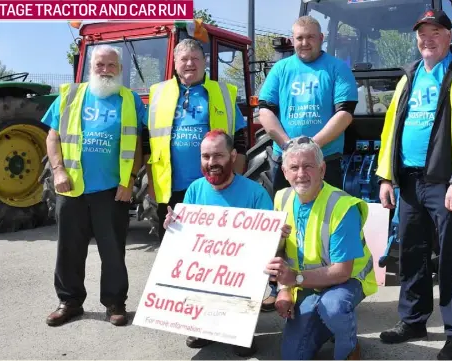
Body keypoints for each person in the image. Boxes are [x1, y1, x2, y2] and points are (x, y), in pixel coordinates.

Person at [375, 9, 452, 360]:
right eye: (422, 34)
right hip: (410, 182)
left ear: (449, 35)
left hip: (446, 185)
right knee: (411, 254)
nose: (427, 39)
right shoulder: (408, 77)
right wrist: (386, 177)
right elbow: (390, 132)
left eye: (435, 32)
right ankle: (413, 320)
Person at [257, 14, 358, 311]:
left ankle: (326, 283)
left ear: (321, 38)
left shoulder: (337, 69)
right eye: (299, 38)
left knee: (327, 224)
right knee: (280, 227)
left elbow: (345, 114)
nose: (304, 43)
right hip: (285, 161)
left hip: (325, 161)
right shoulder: (281, 69)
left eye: (310, 37)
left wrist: (313, 145)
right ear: (293, 40)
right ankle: (277, 285)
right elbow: (265, 111)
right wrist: (288, 145)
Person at [42, 44, 147, 327]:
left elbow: (138, 143)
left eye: (111, 65)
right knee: (69, 249)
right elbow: (53, 137)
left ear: (120, 70)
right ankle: (69, 302)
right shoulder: (70, 95)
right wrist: (58, 170)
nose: (105, 69)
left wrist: (130, 181)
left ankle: (115, 304)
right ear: (90, 68)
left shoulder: (129, 99)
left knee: (113, 251)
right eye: (100, 64)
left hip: (112, 190)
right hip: (71, 188)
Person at [162, 129, 290, 357]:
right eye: (206, 156)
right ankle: (203, 325)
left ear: (232, 156)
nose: (211, 162)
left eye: (218, 156)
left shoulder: (255, 193)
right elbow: (185, 244)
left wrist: (277, 235)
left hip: (243, 270)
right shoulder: (194, 190)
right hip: (206, 268)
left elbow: (270, 248)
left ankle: (240, 328)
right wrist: (173, 228)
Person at [264, 136, 378, 360]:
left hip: (346, 282)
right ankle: (326, 325)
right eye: (294, 168)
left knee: (333, 306)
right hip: (306, 282)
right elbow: (281, 252)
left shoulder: (342, 206)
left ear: (322, 169)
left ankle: (348, 346)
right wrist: (284, 289)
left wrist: (292, 280)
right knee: (292, 356)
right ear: (285, 173)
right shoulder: (281, 198)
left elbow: (341, 272)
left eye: (308, 166)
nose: (300, 174)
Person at [144, 38, 248, 242]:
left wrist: (234, 180)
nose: (190, 64)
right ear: (174, 63)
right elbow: (148, 143)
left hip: (214, 187)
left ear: (205, 62)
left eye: (195, 58)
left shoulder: (223, 93)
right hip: (171, 189)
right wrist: (151, 184)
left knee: (213, 244)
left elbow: (240, 142)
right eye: (184, 59)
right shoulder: (158, 94)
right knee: (175, 247)